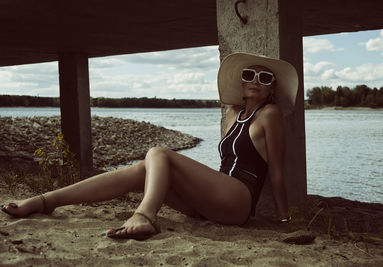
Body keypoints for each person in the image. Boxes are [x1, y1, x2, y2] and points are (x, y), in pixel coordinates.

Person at [1, 52, 298, 241]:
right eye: (249, 75)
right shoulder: (234, 113)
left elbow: (276, 172)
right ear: (242, 83)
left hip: (238, 200)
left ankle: (144, 215)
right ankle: (45, 201)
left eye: (264, 77)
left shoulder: (270, 115)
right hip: (210, 202)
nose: (255, 81)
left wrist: (284, 219)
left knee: (158, 153)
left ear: (272, 87)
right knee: (143, 169)